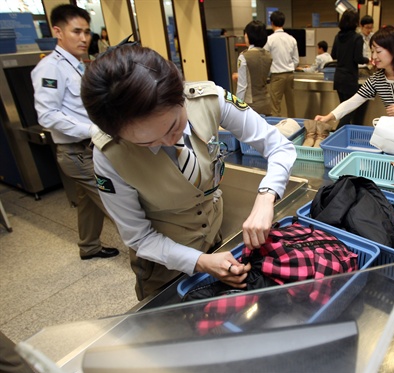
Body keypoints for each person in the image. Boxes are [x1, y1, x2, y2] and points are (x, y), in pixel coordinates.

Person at [80, 44, 297, 300]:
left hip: (217, 238)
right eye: (147, 143)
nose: (169, 141)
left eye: (174, 126)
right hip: (163, 265)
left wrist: (266, 197)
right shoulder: (109, 154)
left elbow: (279, 146)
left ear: (180, 94)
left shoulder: (208, 99)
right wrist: (200, 262)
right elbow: (139, 238)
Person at [31, 4, 119, 261]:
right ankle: (153, 261)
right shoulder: (50, 68)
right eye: (76, 31)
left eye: (87, 32)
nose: (84, 38)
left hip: (88, 149)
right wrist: (93, 129)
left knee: (88, 202)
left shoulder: (77, 65)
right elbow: (47, 115)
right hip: (78, 152)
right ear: (57, 31)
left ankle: (89, 246)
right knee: (118, 205)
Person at [316, 25, 394, 125]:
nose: (374, 57)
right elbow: (354, 101)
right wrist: (329, 116)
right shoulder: (377, 79)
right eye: (372, 51)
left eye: (378, 51)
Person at [330, 9, 369, 128]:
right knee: (349, 111)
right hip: (349, 78)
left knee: (343, 108)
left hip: (338, 76)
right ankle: (336, 134)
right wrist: (368, 60)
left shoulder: (338, 36)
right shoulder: (357, 38)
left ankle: (341, 135)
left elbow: (333, 55)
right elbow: (357, 58)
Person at [264, 10, 299, 117]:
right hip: (290, 75)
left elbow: (266, 59)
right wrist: (289, 67)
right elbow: (296, 60)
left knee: (275, 106)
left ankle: (277, 130)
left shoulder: (269, 40)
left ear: (271, 23)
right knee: (291, 104)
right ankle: (294, 127)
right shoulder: (291, 39)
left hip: (277, 76)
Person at [233, 20, 272, 116]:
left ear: (247, 36)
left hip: (251, 105)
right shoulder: (268, 55)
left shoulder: (244, 56)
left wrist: (237, 107)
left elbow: (242, 86)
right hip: (266, 102)